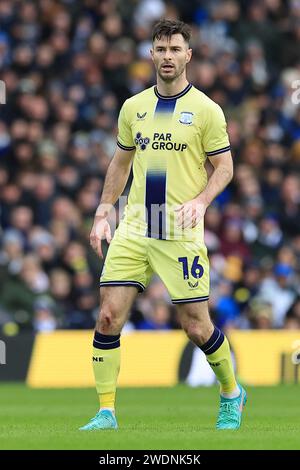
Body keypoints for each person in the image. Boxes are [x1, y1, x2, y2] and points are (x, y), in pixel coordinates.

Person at [79, 19, 247, 431]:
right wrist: (104, 209)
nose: (167, 56)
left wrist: (203, 201)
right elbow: (120, 163)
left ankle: (231, 393)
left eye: (175, 49)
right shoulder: (133, 107)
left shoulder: (206, 110)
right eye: (161, 49)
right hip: (135, 223)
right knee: (107, 316)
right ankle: (106, 412)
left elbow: (224, 167)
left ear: (188, 55)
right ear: (151, 55)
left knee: (195, 325)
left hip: (179, 228)